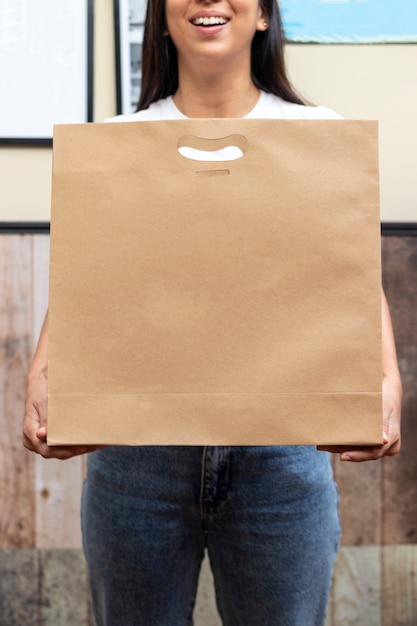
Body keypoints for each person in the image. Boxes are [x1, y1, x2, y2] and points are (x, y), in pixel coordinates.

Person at [23, 1, 402, 624]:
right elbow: (93, 280)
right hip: (136, 453)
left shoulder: (320, 136)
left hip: (282, 452)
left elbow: (353, 276)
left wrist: (387, 379)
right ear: (161, 17)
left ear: (262, 15)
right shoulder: (117, 145)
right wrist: (42, 370)